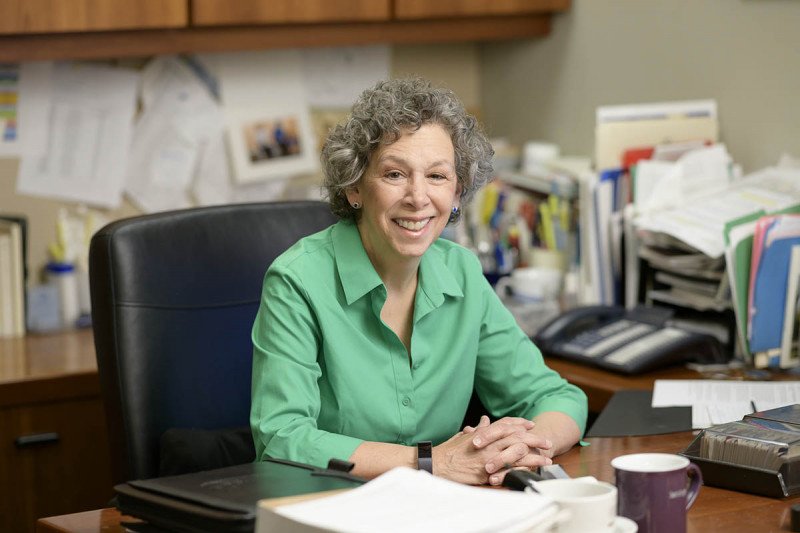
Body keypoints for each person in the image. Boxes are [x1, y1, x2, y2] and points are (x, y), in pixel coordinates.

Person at [250, 78, 587, 486]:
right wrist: (431, 463)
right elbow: (282, 439)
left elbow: (556, 398)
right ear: (355, 187)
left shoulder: (460, 272)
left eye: (437, 176)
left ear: (458, 191)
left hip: (438, 510)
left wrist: (526, 447)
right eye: (394, 174)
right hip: (331, 507)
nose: (418, 196)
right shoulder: (297, 280)